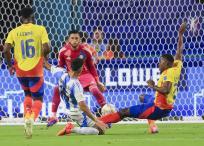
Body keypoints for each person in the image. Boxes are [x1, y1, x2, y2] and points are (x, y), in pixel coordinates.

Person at [99, 22, 186, 132]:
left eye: (161, 62)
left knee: (123, 112)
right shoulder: (176, 68)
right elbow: (179, 52)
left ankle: (98, 121)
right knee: (142, 97)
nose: (159, 64)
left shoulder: (168, 73)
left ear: (167, 64)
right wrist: (180, 35)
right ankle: (153, 127)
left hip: (158, 109)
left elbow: (166, 90)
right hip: (165, 107)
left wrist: (153, 86)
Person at [3, 7, 50, 138]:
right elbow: (47, 47)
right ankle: (31, 118)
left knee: (27, 94)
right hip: (36, 69)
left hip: (21, 70)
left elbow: (6, 50)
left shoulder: (14, 31)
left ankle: (26, 116)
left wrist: (10, 66)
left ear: (20, 18)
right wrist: (44, 58)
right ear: (33, 17)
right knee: (38, 98)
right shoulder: (40, 29)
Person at [47, 30, 107, 127]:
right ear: (68, 40)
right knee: (57, 88)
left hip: (85, 74)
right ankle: (53, 116)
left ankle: (107, 114)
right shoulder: (63, 51)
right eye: (72, 38)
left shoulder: (86, 50)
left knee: (94, 89)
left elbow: (91, 67)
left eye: (76, 38)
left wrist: (98, 81)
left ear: (80, 40)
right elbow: (60, 67)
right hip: (72, 75)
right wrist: (63, 78)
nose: (74, 40)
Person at [44, 58, 107, 136]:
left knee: (98, 127)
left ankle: (77, 127)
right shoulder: (76, 85)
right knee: (100, 131)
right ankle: (71, 129)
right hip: (78, 112)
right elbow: (82, 106)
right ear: (80, 69)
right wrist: (96, 120)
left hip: (68, 109)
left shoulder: (61, 73)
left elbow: (47, 66)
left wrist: (41, 56)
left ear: (70, 66)